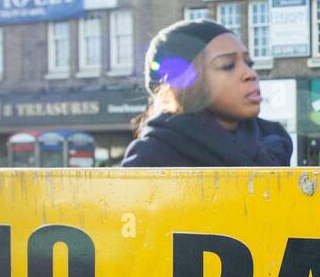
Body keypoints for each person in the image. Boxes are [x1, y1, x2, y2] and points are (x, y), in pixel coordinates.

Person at [120, 19, 293, 168]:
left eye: (249, 63)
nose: (250, 74)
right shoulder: (151, 157)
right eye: (227, 65)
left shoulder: (276, 143)